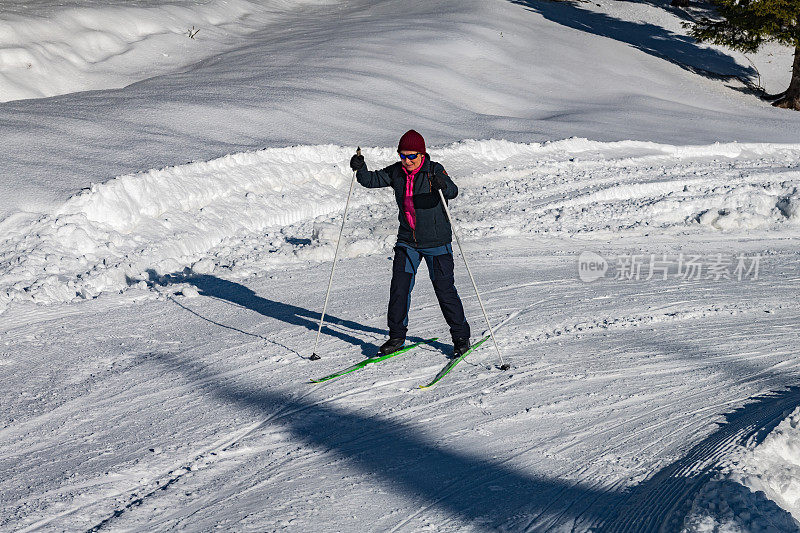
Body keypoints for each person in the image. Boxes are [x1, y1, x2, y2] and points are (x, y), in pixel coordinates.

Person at [349, 130, 471, 357]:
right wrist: (360, 168)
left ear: (421, 154)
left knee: (444, 290)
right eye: (403, 156)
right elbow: (371, 180)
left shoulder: (433, 169)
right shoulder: (397, 171)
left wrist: (440, 183)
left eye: (412, 156)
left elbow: (452, 191)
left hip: (436, 243)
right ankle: (396, 337)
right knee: (399, 289)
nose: (407, 161)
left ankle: (461, 336)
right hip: (407, 242)